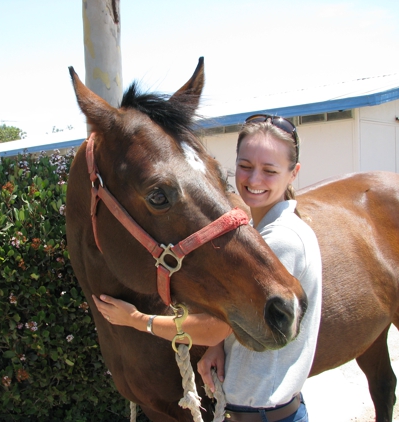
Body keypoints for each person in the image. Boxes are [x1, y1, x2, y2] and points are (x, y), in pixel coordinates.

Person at [93, 114, 322, 422]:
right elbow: (226, 331)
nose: (253, 180)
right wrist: (221, 347)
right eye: (245, 167)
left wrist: (136, 320)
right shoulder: (263, 225)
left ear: (293, 173)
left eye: (269, 170)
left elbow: (217, 326)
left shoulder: (281, 239)